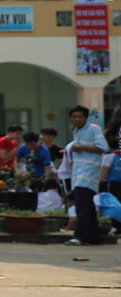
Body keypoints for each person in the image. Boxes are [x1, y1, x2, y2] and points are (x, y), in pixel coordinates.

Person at [64, 105, 108, 247]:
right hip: (79, 173)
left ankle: (81, 237)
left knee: (82, 206)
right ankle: (94, 237)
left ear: (86, 117)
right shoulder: (76, 131)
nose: (77, 119)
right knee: (87, 206)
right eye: (74, 116)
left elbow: (103, 147)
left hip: (88, 173)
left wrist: (81, 147)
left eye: (80, 116)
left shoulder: (93, 129)